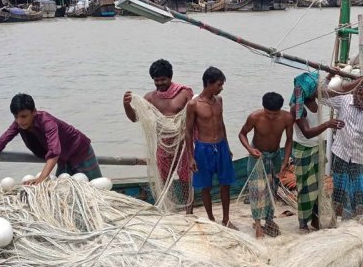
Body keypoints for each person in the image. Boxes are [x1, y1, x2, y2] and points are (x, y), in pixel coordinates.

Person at [0, 93, 101, 185]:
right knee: (62, 186)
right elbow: (1, 141)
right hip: (63, 159)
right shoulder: (19, 124)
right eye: (16, 117)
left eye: (24, 116)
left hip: (80, 151)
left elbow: (54, 151)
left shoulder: (47, 122)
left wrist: (41, 178)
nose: (20, 121)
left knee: (97, 185)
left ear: (34, 112)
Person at [123, 59, 194, 212]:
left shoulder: (184, 93)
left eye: (163, 79)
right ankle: (166, 208)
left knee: (186, 179)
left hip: (182, 145)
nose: (160, 83)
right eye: (156, 80)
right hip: (163, 145)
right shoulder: (149, 98)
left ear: (171, 77)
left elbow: (195, 116)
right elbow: (135, 118)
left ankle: (189, 210)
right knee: (162, 179)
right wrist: (126, 105)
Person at [321, 75, 363, 221]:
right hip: (341, 153)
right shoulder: (344, 100)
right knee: (340, 188)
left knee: (360, 190)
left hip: (361, 158)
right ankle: (337, 217)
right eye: (356, 93)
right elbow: (322, 96)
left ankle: (361, 219)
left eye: (362, 94)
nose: (358, 97)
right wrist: (328, 78)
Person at [289, 72, 344, 233]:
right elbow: (306, 132)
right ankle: (302, 223)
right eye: (316, 88)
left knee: (318, 187)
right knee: (305, 188)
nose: (319, 90)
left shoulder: (316, 99)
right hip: (304, 151)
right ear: (309, 90)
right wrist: (327, 124)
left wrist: (330, 75)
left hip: (317, 149)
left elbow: (329, 88)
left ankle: (315, 219)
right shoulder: (298, 109)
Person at [186, 67, 237, 229]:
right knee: (206, 186)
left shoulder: (219, 100)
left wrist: (227, 146)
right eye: (219, 84)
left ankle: (226, 219)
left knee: (225, 184)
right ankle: (211, 218)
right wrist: (191, 156)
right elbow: (187, 131)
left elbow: (222, 124)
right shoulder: (193, 104)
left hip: (221, 146)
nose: (221, 88)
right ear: (209, 84)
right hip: (203, 148)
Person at [238, 92, 294, 238]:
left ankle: (269, 220)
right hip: (257, 154)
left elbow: (289, 140)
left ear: (280, 110)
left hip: (275, 155)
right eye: (268, 113)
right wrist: (250, 150)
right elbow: (242, 134)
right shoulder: (255, 117)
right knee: (257, 189)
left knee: (272, 188)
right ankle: (257, 224)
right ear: (263, 108)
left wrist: (285, 160)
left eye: (274, 114)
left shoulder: (287, 118)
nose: (271, 116)